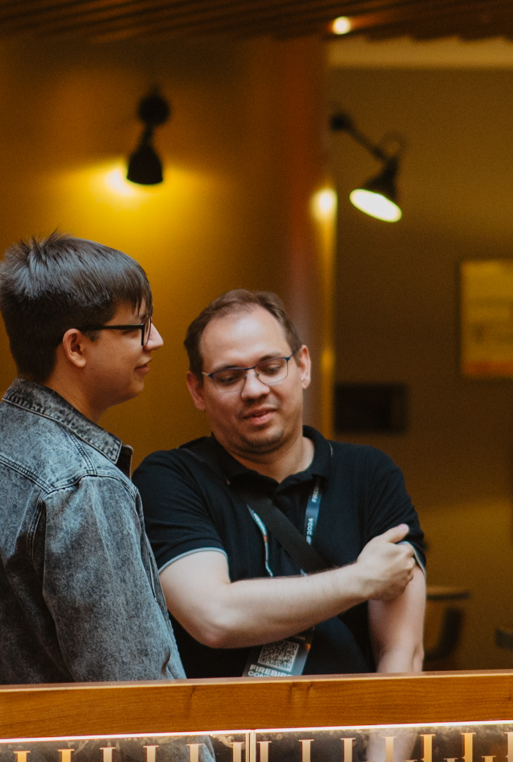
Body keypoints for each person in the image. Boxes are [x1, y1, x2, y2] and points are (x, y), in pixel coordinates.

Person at [134, 289, 426, 679]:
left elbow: (401, 652)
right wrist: (361, 579)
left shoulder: (370, 474)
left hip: (354, 718)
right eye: (229, 377)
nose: (254, 390)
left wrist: (379, 727)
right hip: (220, 721)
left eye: (271, 367)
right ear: (197, 390)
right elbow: (214, 617)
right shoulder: (169, 478)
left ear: (302, 366)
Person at [0, 233, 180, 686]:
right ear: (76, 347)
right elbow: (134, 691)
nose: (156, 340)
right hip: (78, 740)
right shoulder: (83, 483)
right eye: (138, 327)